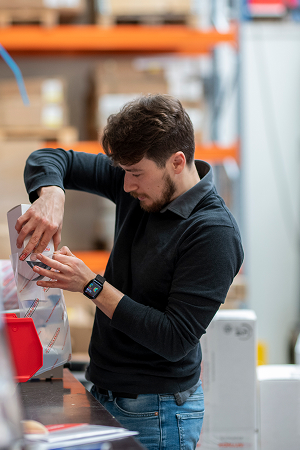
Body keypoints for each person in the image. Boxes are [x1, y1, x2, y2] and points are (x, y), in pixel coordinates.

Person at [14, 94, 243, 450]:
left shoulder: (212, 233)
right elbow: (48, 157)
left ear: (177, 162)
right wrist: (52, 194)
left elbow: (174, 339)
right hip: (104, 392)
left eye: (136, 174)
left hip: (157, 413)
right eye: (123, 172)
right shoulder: (137, 184)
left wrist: (90, 285)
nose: (126, 186)